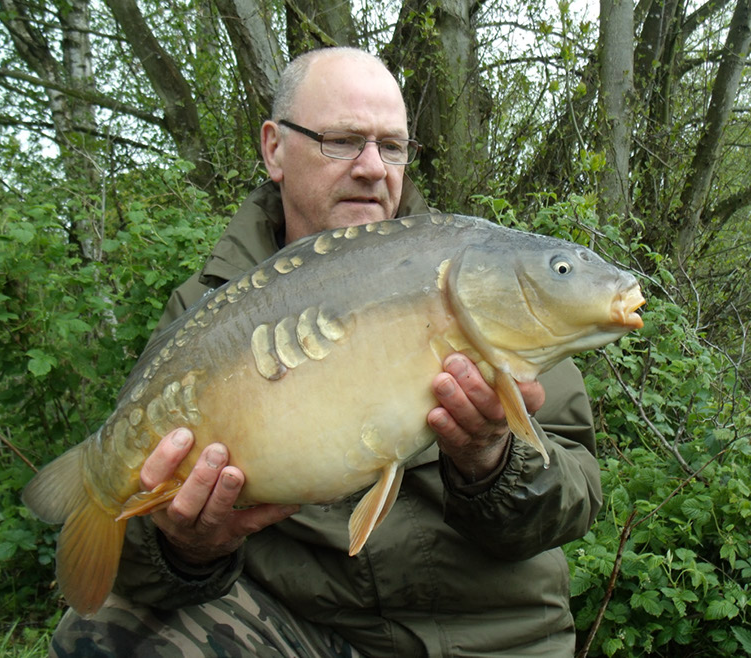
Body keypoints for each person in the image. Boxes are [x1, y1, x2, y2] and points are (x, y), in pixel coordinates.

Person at [50, 47, 602, 657]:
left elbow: (573, 501)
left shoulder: (482, 284)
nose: (372, 167)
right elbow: (143, 570)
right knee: (102, 636)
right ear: (274, 148)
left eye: (392, 147)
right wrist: (186, 547)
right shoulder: (207, 312)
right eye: (342, 140)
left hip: (493, 639)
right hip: (300, 633)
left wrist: (490, 461)